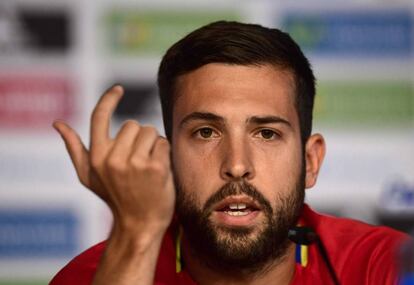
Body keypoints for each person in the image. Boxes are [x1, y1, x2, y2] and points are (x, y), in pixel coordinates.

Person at [50, 21, 408, 285]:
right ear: (166, 161)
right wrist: (135, 234)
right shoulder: (97, 275)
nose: (237, 165)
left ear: (310, 161)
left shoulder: (385, 266)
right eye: (206, 132)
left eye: (266, 133)